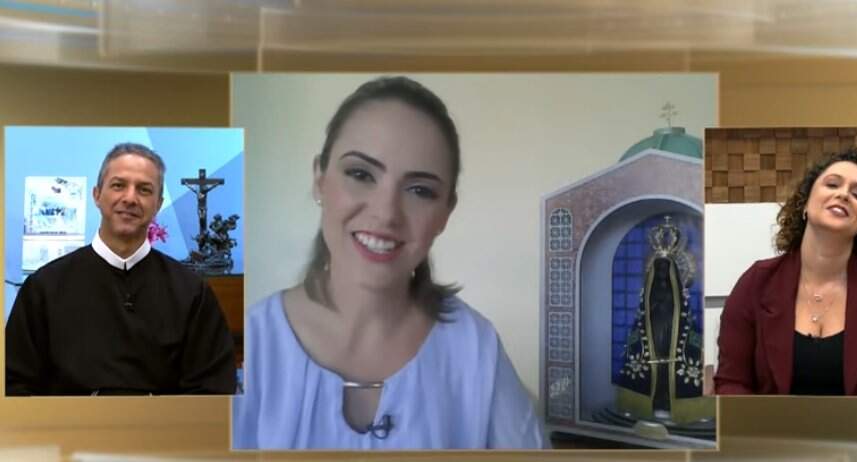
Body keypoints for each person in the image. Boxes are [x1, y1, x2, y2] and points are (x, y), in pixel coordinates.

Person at [232, 76, 546, 449]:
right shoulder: (247, 348)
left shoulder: (477, 349)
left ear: (446, 213)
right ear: (320, 180)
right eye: (361, 174)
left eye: (420, 190)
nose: (386, 213)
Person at [6, 143, 237, 396]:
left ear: (158, 204)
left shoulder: (192, 292)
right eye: (118, 185)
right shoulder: (44, 287)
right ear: (97, 195)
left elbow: (213, 389)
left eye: (144, 189)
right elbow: (14, 384)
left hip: (166, 423)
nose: (130, 198)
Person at [714, 148, 857, 396]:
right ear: (805, 203)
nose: (843, 194)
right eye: (832, 184)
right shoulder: (756, 282)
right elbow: (732, 382)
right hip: (765, 422)